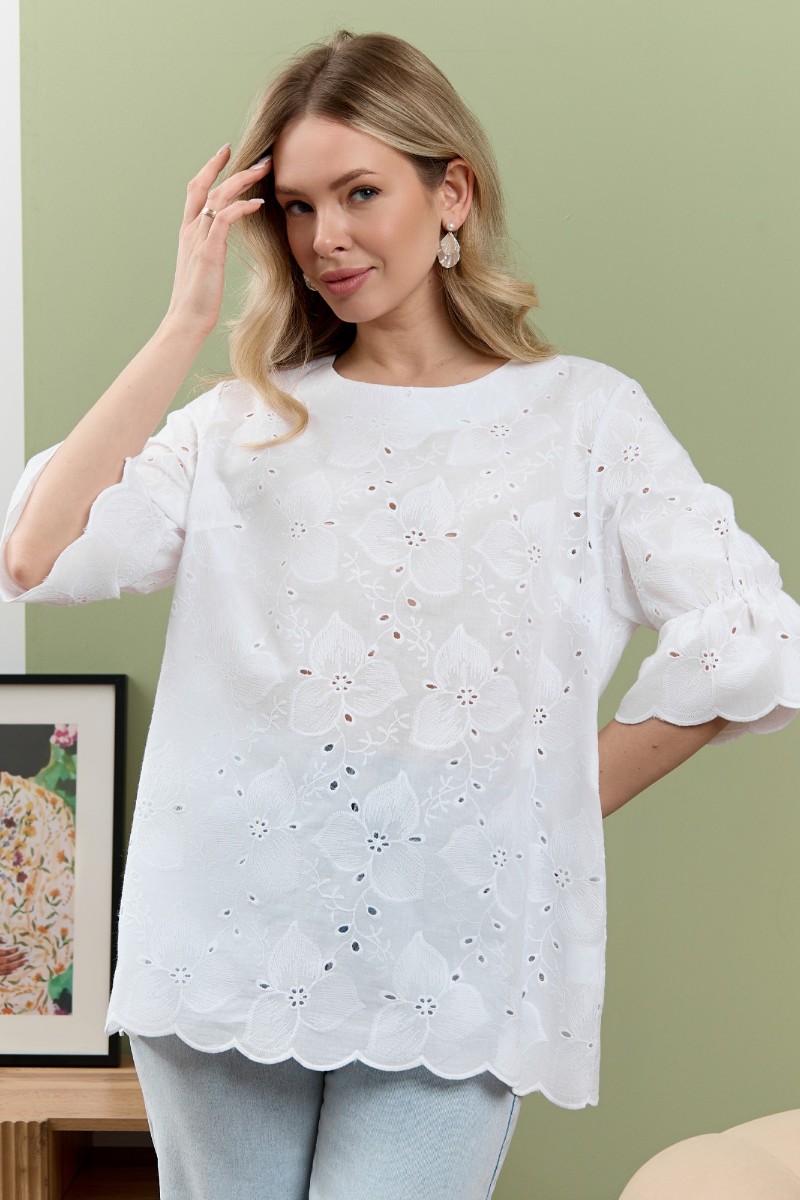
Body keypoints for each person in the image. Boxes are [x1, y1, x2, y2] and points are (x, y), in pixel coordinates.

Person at [1, 27, 798, 1200]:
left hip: (452, 955)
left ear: (451, 193)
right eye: (295, 206)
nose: (324, 236)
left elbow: (750, 635)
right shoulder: (240, 422)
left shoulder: (583, 421)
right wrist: (183, 323)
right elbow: (36, 550)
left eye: (360, 192)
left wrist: (548, 803)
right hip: (221, 936)